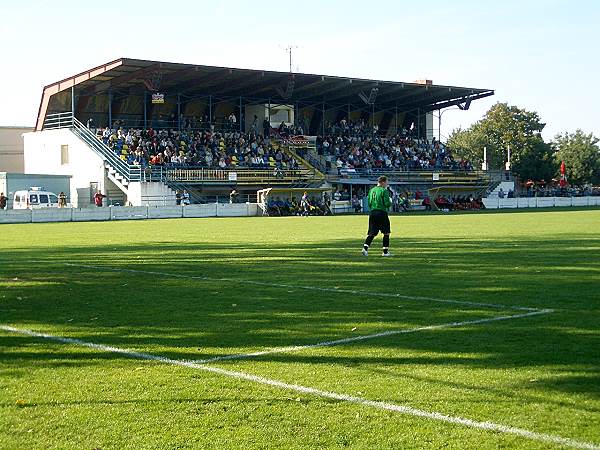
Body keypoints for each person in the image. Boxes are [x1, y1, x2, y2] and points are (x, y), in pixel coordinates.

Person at [362, 176, 392, 257]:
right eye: (386, 182)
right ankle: (385, 252)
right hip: (381, 212)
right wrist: (390, 202)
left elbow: (369, 202)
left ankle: (365, 249)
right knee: (386, 232)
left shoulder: (371, 190)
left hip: (373, 212)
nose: (387, 184)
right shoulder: (384, 191)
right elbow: (387, 204)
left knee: (372, 233)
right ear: (382, 182)